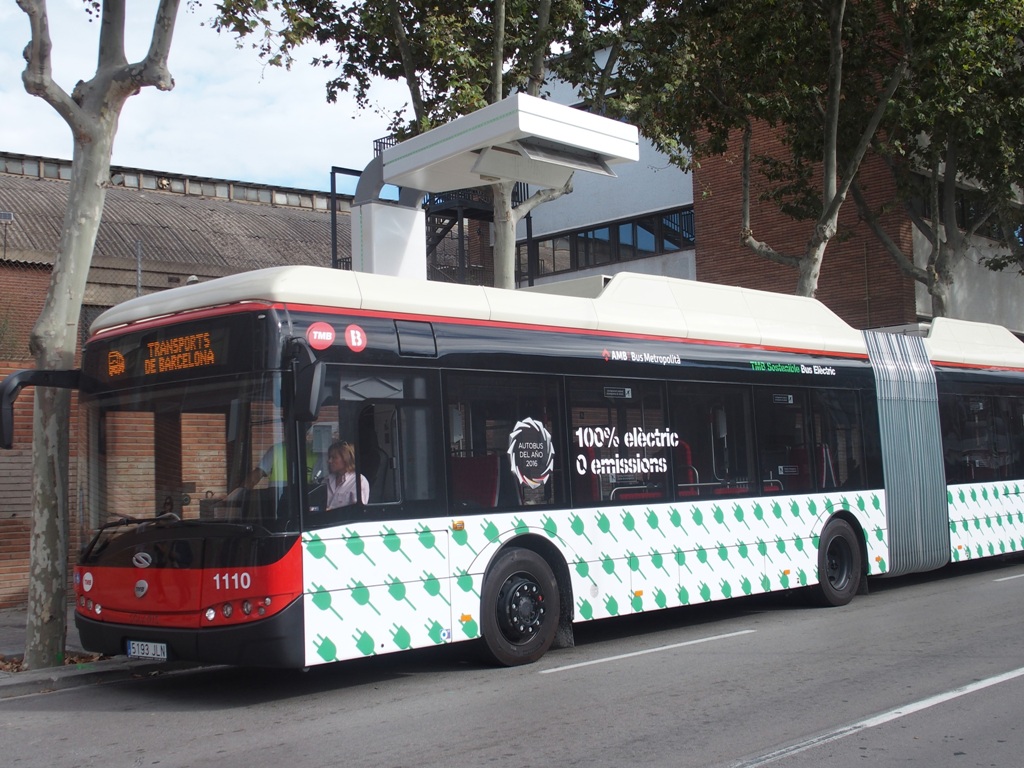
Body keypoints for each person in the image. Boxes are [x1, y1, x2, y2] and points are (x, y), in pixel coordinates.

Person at [324, 440, 370, 508]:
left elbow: (358, 511)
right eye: (329, 458)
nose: (329, 461)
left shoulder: (358, 481)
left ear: (346, 459)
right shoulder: (326, 480)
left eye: (334, 458)